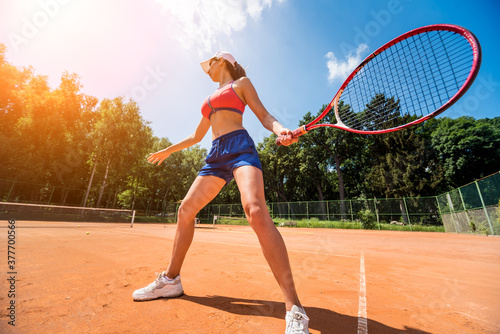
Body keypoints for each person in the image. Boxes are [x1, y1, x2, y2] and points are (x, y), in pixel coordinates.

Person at [132, 51, 310, 334]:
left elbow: (263, 115)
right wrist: (168, 150)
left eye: (210, 64)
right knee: (185, 210)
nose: (207, 70)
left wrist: (281, 130)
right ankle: (171, 280)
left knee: (255, 210)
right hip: (215, 155)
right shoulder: (207, 100)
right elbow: (196, 136)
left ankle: (295, 309)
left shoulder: (241, 84)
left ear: (222, 62)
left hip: (240, 148)